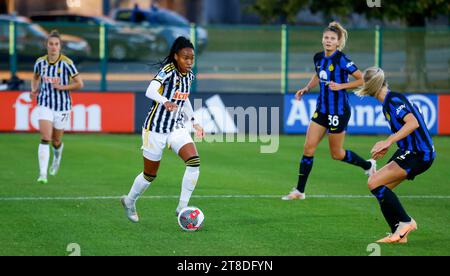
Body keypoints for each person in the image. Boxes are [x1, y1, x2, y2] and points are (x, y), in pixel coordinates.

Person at [282, 22, 376, 200]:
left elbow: (363, 79)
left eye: (332, 39)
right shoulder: (318, 57)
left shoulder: (342, 60)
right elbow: (318, 74)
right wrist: (307, 88)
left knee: (337, 154)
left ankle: (367, 165)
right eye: (326, 37)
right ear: (322, 40)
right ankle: (299, 191)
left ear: (338, 42)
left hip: (339, 111)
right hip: (322, 109)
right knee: (308, 148)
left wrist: (342, 85)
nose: (328, 41)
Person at [121, 37, 205, 223]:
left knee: (194, 162)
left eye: (192, 58)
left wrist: (194, 122)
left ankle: (182, 207)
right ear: (176, 57)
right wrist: (164, 101)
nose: (190, 61)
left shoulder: (189, 76)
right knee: (149, 175)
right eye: (185, 57)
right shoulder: (167, 71)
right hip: (155, 129)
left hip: (176, 127)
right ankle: (129, 201)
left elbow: (184, 99)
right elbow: (150, 91)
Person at [355, 67, 435, 243]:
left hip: (418, 153)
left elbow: (412, 123)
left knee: (373, 182)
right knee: (382, 188)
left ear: (371, 85)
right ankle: (398, 234)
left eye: (365, 83)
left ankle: (406, 222)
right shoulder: (388, 103)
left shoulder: (393, 100)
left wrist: (388, 141)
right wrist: (388, 146)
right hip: (409, 150)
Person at [30, 30, 84, 184]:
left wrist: (62, 87)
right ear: (46, 46)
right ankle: (42, 174)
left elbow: (80, 83)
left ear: (60, 47)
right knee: (45, 138)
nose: (53, 47)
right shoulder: (40, 62)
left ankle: (57, 157)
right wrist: (34, 90)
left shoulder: (67, 63)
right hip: (45, 103)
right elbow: (35, 77)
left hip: (62, 106)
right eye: (51, 44)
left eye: (56, 44)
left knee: (56, 141)